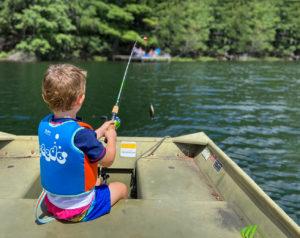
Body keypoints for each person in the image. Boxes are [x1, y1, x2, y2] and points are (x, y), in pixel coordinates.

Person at [38, 64, 128, 222]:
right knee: (121, 188)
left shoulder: (45, 125)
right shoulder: (82, 135)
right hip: (78, 210)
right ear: (80, 98)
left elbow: (72, 141)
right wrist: (112, 137)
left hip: (51, 203)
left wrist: (100, 131)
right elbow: (108, 160)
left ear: (45, 97)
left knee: (98, 181)